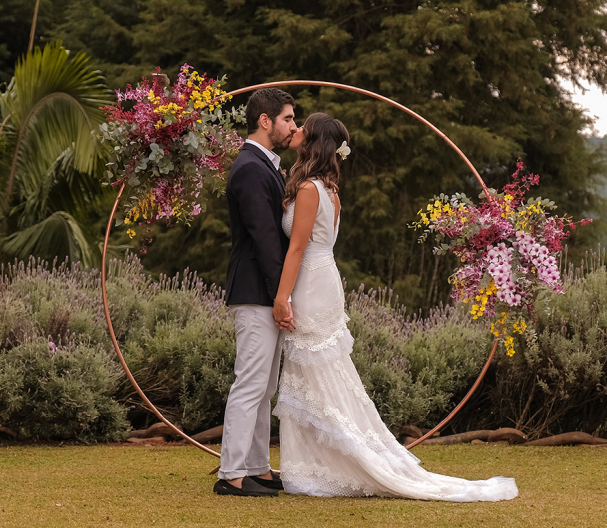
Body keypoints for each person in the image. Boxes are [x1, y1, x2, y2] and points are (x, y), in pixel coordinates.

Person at [271, 112, 519, 502]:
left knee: (315, 375)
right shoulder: (330, 190)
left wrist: (281, 297)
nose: (296, 129)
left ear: (314, 141)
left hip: (309, 283)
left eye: (303, 126)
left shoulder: (308, 190)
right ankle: (316, 465)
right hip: (325, 278)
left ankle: (327, 467)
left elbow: (298, 248)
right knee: (321, 377)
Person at [214, 88, 297, 498]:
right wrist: (281, 295)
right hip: (255, 290)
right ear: (264, 120)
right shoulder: (249, 168)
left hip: (266, 291)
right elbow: (265, 238)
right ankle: (230, 474)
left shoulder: (267, 165)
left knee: (264, 387)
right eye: (287, 119)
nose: (292, 126)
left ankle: (258, 468)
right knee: (249, 383)